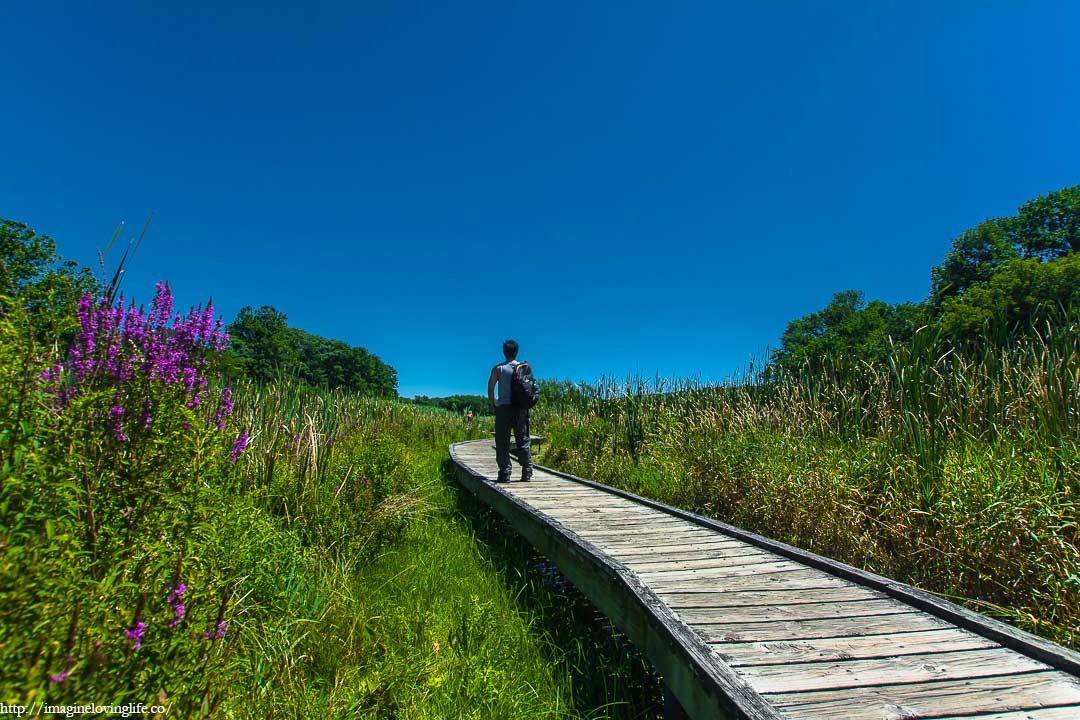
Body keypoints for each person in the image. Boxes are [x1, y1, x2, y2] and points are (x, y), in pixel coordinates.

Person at [487, 339, 533, 483]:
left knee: (502, 442)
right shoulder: (522, 368)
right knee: (522, 440)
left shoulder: (498, 369)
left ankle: (505, 473)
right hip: (520, 409)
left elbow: (490, 388)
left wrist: (493, 405)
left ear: (504, 352)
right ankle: (527, 471)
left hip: (504, 408)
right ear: (516, 352)